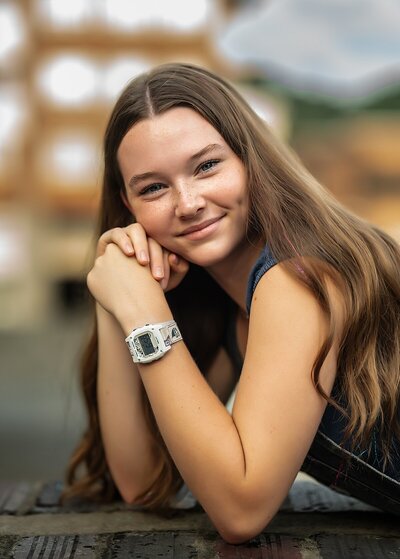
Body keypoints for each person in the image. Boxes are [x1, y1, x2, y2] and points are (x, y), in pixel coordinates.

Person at [64, 62, 400, 544]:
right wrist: (115, 294)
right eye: (153, 187)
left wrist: (146, 317)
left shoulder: (298, 280)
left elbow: (242, 512)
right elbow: (142, 483)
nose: (187, 202)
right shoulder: (229, 311)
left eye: (206, 166)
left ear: (250, 160)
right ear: (128, 204)